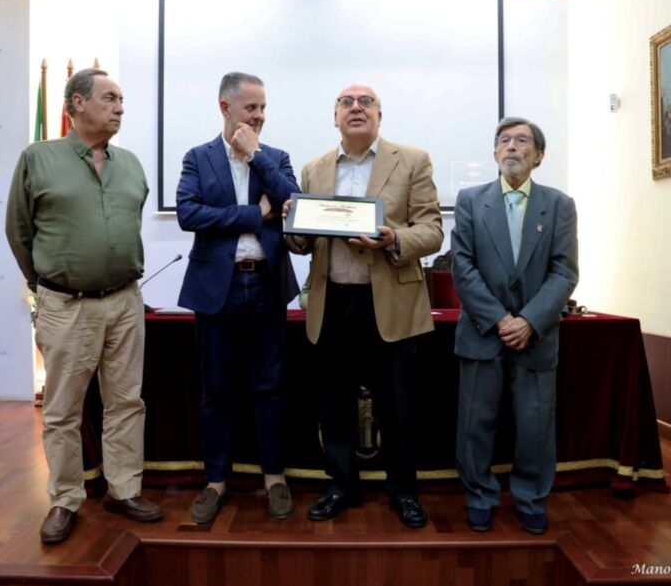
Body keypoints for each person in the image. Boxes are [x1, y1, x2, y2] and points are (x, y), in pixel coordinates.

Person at [5, 68, 162, 545]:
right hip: (66, 305)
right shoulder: (38, 158)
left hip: (125, 301)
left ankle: (124, 489)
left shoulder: (130, 164)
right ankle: (65, 499)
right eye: (109, 98)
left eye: (121, 99)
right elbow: (18, 230)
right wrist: (45, 284)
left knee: (126, 402)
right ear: (77, 103)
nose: (119, 108)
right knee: (62, 410)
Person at [285, 83, 443, 528]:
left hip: (390, 303)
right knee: (333, 405)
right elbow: (303, 243)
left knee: (399, 406)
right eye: (346, 102)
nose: (356, 108)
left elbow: (432, 230)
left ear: (379, 115)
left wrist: (393, 238)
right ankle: (341, 486)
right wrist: (292, 224)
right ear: (335, 116)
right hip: (333, 301)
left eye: (366, 102)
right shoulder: (314, 168)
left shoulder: (412, 160)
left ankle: (404, 491)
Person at [176, 72, 299, 523]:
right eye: (251, 108)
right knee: (217, 390)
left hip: (266, 285)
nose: (260, 115)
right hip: (218, 289)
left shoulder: (276, 158)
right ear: (225, 108)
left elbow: (293, 204)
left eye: (263, 107)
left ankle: (274, 477)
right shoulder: (198, 157)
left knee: (271, 387)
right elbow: (189, 214)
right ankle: (215, 481)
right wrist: (253, 214)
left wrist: (256, 156)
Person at [451, 117, 579, 535]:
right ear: (494, 153)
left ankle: (531, 499)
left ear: (539, 155)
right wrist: (500, 319)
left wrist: (529, 321)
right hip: (482, 333)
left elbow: (564, 271)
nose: (511, 146)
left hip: (536, 337)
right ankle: (479, 496)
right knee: (475, 423)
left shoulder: (559, 205)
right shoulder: (470, 200)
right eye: (503, 140)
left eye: (522, 141)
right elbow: (462, 267)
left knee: (535, 426)